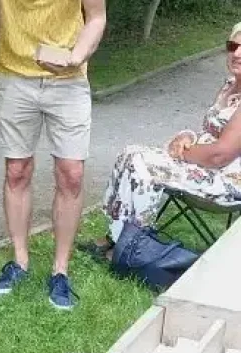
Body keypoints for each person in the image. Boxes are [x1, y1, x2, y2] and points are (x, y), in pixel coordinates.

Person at [0, 0, 106, 311]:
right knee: (17, 170)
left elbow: (96, 18)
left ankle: (60, 271)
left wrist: (75, 58)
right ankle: (20, 262)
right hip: (13, 78)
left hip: (68, 80)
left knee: (71, 174)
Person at [91, 25, 241, 255]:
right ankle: (117, 235)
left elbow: (220, 154)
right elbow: (211, 131)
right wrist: (187, 137)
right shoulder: (230, 86)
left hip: (226, 182)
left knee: (142, 164)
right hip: (206, 167)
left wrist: (183, 152)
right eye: (233, 46)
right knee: (130, 153)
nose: (237, 54)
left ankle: (135, 248)